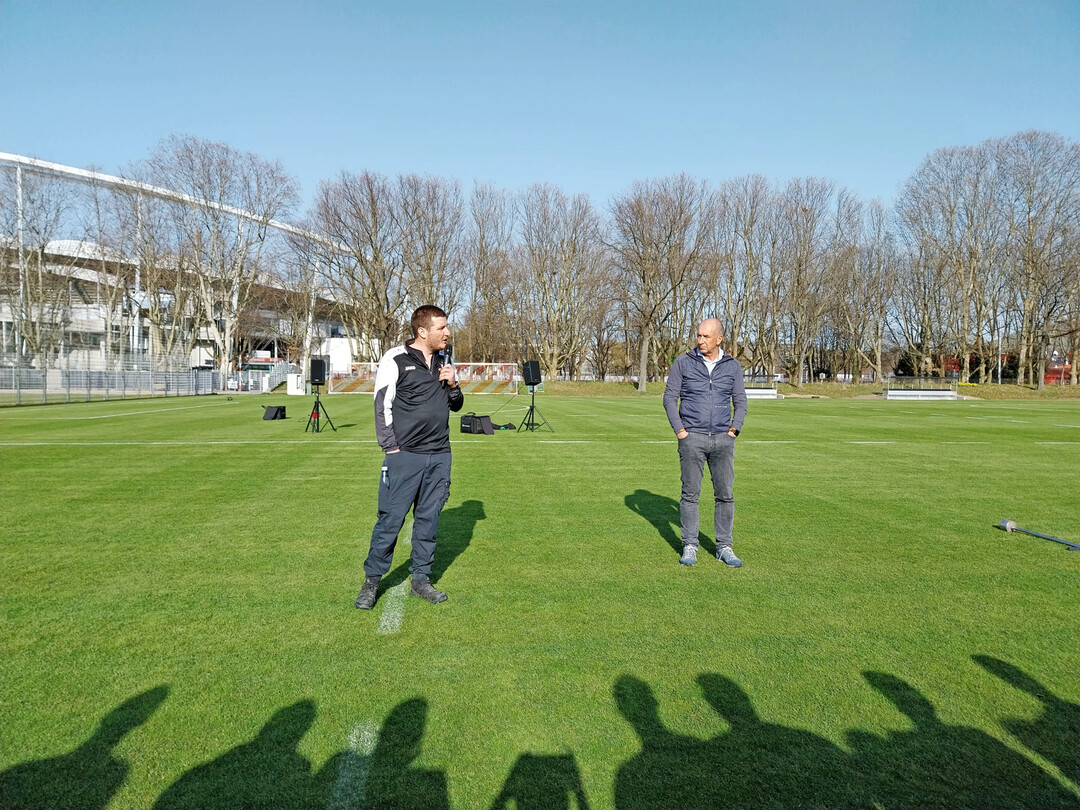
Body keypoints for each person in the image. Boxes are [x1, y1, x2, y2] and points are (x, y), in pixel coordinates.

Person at [354, 305, 464, 609]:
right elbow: (382, 404)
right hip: (404, 457)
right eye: (441, 328)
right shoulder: (395, 358)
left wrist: (453, 384)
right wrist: (391, 448)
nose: (447, 333)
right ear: (422, 331)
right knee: (390, 520)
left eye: (447, 327)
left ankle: (421, 581)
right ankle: (371, 582)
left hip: (440, 455)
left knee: (428, 521)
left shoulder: (445, 360)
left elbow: (456, 405)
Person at [663, 318, 747, 567]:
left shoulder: (732, 366)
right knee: (690, 495)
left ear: (719, 339)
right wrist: (680, 432)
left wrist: (734, 430)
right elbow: (669, 399)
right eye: (698, 335)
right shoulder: (683, 362)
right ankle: (689, 545)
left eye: (705, 336)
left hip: (723, 439)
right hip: (692, 439)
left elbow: (740, 401)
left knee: (725, 495)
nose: (700, 340)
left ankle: (724, 547)